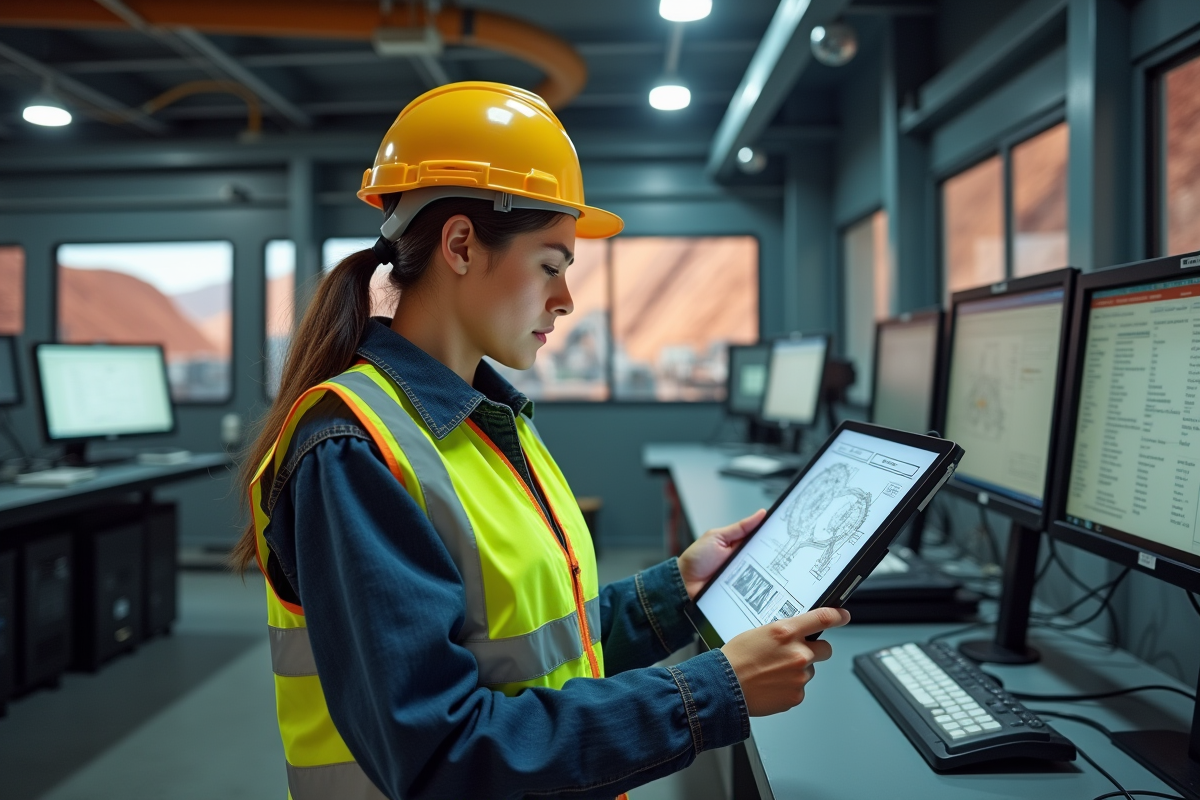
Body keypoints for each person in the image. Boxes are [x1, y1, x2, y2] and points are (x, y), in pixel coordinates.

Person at [233, 81, 850, 800]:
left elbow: (540, 651)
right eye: (551, 266)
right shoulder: (354, 451)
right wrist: (711, 691)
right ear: (461, 244)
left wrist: (676, 590)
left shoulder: (490, 420)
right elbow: (442, 756)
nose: (566, 300)